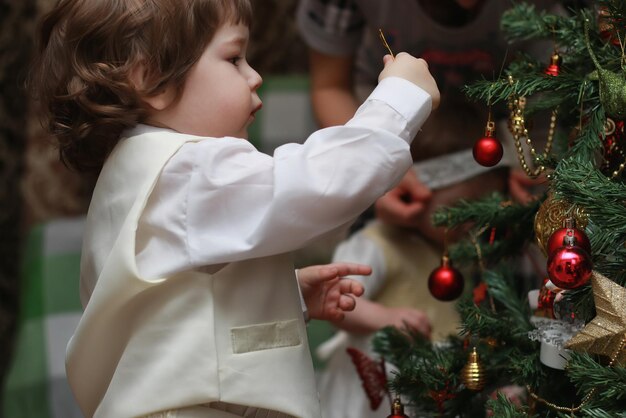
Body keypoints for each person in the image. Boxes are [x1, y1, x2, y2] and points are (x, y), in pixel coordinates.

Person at [29, 0, 440, 417]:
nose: (254, 75)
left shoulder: (136, 173)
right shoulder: (186, 168)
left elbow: (172, 308)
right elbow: (316, 185)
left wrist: (283, 295)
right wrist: (398, 100)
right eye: (234, 58)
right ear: (151, 80)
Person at [315, 98, 509, 418]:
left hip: (433, 389)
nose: (471, 221)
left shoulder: (457, 252)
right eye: (461, 208)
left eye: (480, 209)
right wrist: (384, 318)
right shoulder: (379, 243)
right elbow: (335, 300)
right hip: (376, 390)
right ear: (416, 191)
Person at [296, 0, 558, 228]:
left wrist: (538, 161)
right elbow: (330, 87)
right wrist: (371, 175)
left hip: (521, 116)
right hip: (383, 115)